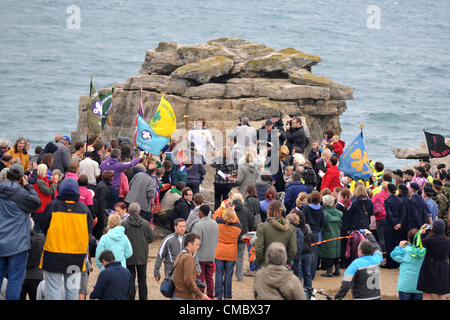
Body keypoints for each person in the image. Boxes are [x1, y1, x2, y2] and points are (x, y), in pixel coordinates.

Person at [38, 177, 93, 300]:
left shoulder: (53, 206)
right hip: (75, 257)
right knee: (72, 291)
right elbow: (89, 230)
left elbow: (43, 225)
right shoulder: (84, 209)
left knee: (53, 289)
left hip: (53, 255)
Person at [0, 163, 41, 300]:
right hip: (17, 244)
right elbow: (36, 203)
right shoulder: (21, 194)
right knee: (15, 280)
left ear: (7, 176)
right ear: (20, 178)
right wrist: (28, 185)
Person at [334, 229, 382, 300]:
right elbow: (377, 248)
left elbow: (346, 285)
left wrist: (337, 297)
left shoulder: (355, 264)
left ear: (360, 251)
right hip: (376, 297)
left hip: (361, 298)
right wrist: (370, 235)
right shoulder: (377, 259)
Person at [122, 202, 153, 300]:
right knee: (142, 280)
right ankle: (143, 298)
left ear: (128, 211)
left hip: (129, 255)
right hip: (142, 255)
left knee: (130, 279)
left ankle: (130, 297)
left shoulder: (124, 224)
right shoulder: (145, 223)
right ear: (139, 211)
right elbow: (151, 238)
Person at [254, 200, 297, 268]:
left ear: (269, 211)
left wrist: (261, 263)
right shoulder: (291, 228)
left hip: (266, 266)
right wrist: (285, 261)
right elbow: (293, 250)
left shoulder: (262, 227)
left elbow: (258, 249)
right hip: (282, 267)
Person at [416, 219, 450, 300]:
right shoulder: (448, 241)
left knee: (427, 293)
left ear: (433, 228)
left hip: (429, 267)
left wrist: (420, 233)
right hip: (443, 267)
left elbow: (417, 245)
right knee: (442, 294)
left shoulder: (428, 240)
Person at [213, 206, 242, 300]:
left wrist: (222, 207)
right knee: (229, 275)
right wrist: (233, 211)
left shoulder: (218, 223)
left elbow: (215, 215)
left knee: (218, 274)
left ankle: (218, 295)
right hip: (231, 253)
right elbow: (237, 220)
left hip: (219, 252)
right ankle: (227, 296)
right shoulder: (237, 226)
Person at [172, 233, 209, 300]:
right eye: (196, 244)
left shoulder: (181, 254)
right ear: (189, 244)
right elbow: (188, 279)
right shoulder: (188, 257)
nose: (198, 247)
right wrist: (200, 295)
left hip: (177, 294)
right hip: (184, 296)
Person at [192, 205, 219, 299]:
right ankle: (210, 296)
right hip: (211, 256)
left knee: (200, 279)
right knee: (209, 278)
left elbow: (197, 242)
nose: (198, 213)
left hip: (200, 256)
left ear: (202, 212)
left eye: (199, 212)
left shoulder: (198, 225)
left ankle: (200, 297)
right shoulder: (215, 224)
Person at [390, 228, 424, 300]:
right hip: (418, 285)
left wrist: (399, 246)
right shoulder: (423, 252)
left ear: (408, 239)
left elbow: (393, 255)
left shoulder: (404, 251)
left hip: (405, 285)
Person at [125, 160, 157, 225]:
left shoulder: (138, 174)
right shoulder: (151, 181)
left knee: (128, 219)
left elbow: (130, 185)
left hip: (130, 201)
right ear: (154, 172)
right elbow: (150, 195)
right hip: (141, 206)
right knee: (137, 223)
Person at [302, 190, 325, 280]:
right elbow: (323, 222)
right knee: (314, 254)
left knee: (306, 253)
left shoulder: (306, 208)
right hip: (316, 233)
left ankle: (306, 273)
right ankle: (312, 274)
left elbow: (303, 220)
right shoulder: (321, 209)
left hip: (307, 233)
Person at [231, 193, 253, 281]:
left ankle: (229, 273)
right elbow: (250, 221)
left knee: (231, 257)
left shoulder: (230, 210)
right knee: (240, 257)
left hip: (232, 236)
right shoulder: (246, 210)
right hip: (242, 235)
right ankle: (239, 276)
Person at [383, 184, 406, 269]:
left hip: (390, 224)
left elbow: (389, 214)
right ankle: (396, 262)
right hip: (398, 223)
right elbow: (403, 213)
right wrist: (399, 223)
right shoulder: (400, 200)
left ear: (388, 190)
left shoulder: (387, 200)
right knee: (396, 243)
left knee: (389, 243)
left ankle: (390, 263)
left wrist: (394, 224)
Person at [319, 195, 343, 277]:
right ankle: (337, 270)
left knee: (328, 253)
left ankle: (329, 271)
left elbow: (322, 225)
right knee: (336, 252)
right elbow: (340, 225)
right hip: (337, 234)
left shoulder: (324, 213)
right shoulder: (338, 213)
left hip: (327, 234)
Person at [32, 163, 58, 233]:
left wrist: (51, 181)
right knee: (39, 228)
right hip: (41, 208)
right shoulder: (40, 181)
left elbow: (46, 187)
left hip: (41, 207)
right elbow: (49, 191)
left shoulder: (40, 180)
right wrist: (55, 183)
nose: (47, 172)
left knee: (39, 227)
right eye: (46, 171)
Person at [92, 171, 113, 240]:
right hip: (99, 211)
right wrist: (103, 213)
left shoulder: (101, 184)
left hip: (96, 209)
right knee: (99, 229)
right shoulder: (104, 187)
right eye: (112, 177)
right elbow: (102, 200)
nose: (113, 178)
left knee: (96, 229)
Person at [371, 181, 389, 253]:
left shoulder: (377, 195)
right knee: (388, 237)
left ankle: (383, 254)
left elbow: (371, 204)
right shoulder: (390, 196)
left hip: (379, 218)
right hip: (389, 218)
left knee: (381, 237)